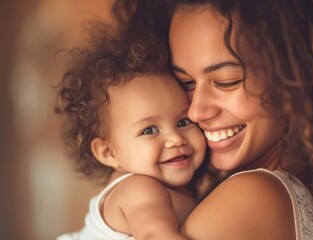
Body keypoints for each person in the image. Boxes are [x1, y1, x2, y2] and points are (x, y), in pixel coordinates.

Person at [107, 0, 313, 239]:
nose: (195, 111)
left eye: (226, 81)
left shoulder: (253, 196)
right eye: (186, 83)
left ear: (295, 78)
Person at [55, 18, 206, 240]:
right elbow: (155, 235)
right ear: (109, 152)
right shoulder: (139, 189)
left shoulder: (179, 186)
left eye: (183, 122)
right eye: (149, 130)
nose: (175, 139)